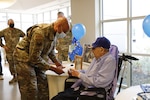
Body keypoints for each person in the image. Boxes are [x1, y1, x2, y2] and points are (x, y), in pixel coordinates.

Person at [13, 17, 70, 100]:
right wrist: (53, 69)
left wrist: (57, 63)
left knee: (43, 86)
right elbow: (34, 58)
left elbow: (50, 50)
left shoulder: (54, 33)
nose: (63, 34)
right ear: (59, 26)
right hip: (23, 58)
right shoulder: (40, 33)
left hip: (36, 58)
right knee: (30, 89)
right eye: (63, 31)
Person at [52, 37, 117, 100]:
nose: (92, 50)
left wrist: (79, 75)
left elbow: (99, 82)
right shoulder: (97, 58)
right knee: (58, 96)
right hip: (83, 88)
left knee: (58, 98)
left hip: (92, 92)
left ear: (101, 50)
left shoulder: (109, 61)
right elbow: (89, 73)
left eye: (93, 48)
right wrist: (76, 72)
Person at [0, 19, 25, 83]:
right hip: (9, 51)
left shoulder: (18, 31)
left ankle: (20, 77)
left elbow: (25, 37)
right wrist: (3, 45)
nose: (12, 24)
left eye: (13, 22)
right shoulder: (4, 31)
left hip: (18, 50)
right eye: (11, 23)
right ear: (8, 23)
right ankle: (14, 77)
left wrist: (22, 45)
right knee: (11, 64)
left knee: (19, 64)